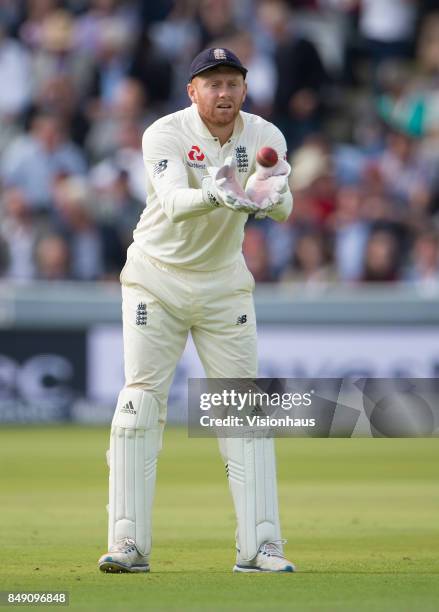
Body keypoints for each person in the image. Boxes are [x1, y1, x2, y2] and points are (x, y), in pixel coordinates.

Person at [98, 47, 295, 574]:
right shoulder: (164, 133)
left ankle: (260, 546)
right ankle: (128, 544)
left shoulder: (265, 136)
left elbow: (284, 205)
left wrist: (269, 194)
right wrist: (218, 191)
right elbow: (171, 202)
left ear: (245, 90)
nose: (224, 93)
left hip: (223, 286)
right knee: (139, 405)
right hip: (154, 280)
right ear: (193, 92)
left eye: (233, 83)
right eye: (213, 84)